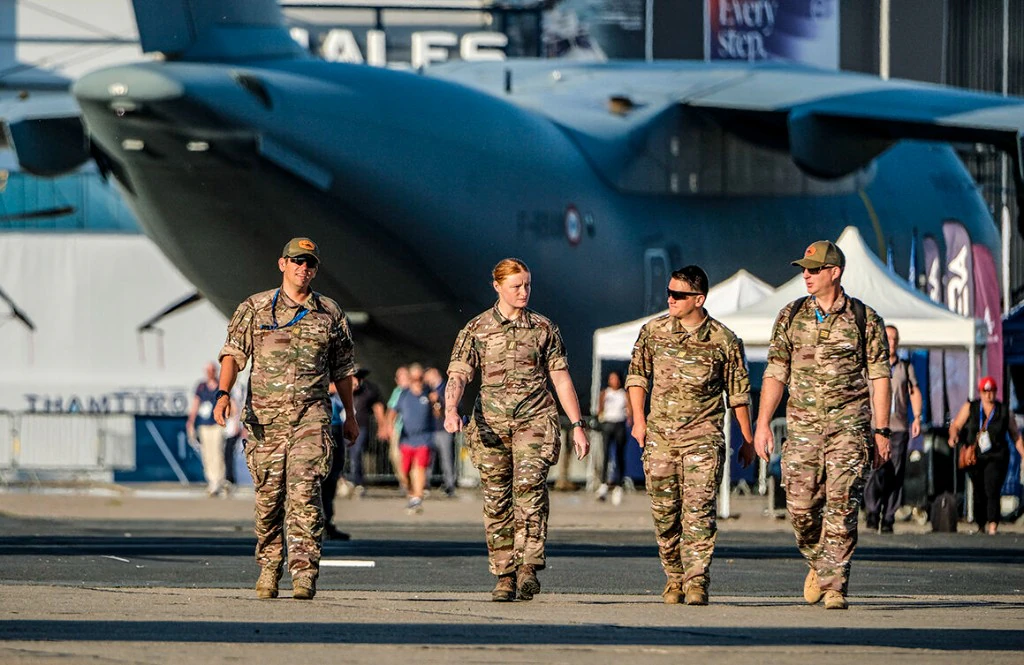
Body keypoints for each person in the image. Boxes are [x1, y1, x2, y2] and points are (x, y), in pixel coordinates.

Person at [214, 237, 359, 601]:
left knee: (305, 491)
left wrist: (351, 416)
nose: (303, 269)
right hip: (265, 420)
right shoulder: (256, 308)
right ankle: (269, 565)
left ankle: (304, 572)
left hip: (311, 416)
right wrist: (223, 393)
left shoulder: (329, 312)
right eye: (296, 262)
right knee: (268, 499)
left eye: (309, 263)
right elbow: (233, 353)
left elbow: (343, 369)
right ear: (283, 264)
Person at [754, 240, 891, 611]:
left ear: (835, 272)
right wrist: (763, 423)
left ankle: (835, 585)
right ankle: (820, 560)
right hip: (802, 429)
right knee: (800, 507)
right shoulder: (791, 315)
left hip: (849, 428)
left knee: (842, 504)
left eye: (814, 270)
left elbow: (880, 378)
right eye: (804, 269)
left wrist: (881, 432)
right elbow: (776, 372)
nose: (807, 276)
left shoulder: (865, 318)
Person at [444, 258, 590, 602]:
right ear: (497, 287)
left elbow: (560, 377)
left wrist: (578, 425)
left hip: (534, 421)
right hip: (490, 426)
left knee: (529, 489)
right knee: (496, 500)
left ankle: (528, 566)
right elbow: (459, 373)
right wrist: (451, 409)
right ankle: (504, 573)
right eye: (516, 286)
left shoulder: (543, 328)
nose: (524, 292)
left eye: (527, 285)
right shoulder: (476, 329)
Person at [626, 265, 755, 606]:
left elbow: (738, 394)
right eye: (668, 293)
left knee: (698, 511)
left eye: (679, 295)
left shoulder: (723, 340)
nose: (670, 299)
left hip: (703, 438)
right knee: (666, 514)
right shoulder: (652, 332)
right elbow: (637, 378)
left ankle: (696, 580)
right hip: (660, 439)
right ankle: (674, 577)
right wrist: (638, 421)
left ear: (699, 299)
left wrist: (748, 439)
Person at [864, 325, 923, 534]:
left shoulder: (904, 367)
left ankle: (888, 516)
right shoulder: (871, 366)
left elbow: (914, 391)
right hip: (874, 426)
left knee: (896, 473)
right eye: (887, 338)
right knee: (874, 470)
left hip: (897, 427)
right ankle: (872, 509)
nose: (891, 342)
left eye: (894, 338)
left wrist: (917, 417)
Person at [948, 376, 1024, 535]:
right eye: (985, 391)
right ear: (980, 392)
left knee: (992, 487)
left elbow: (1015, 435)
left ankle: (993, 523)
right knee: (978, 489)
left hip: (996, 456)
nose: (988, 395)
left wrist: (1023, 453)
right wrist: (953, 436)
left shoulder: (1003, 411)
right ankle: (980, 522)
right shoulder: (972, 407)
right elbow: (956, 425)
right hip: (976, 457)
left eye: (991, 391)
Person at [388, 363, 435, 513]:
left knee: (420, 467)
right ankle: (410, 490)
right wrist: (388, 426)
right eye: (414, 378)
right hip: (406, 438)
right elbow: (393, 412)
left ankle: (417, 497)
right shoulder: (403, 394)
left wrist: (437, 404)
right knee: (405, 469)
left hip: (424, 437)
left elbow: (439, 415)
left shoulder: (429, 393)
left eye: (420, 378)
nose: (418, 381)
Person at [186, 362, 228, 497]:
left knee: (217, 452)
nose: (210, 373)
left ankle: (219, 480)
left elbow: (227, 402)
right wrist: (191, 421)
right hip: (204, 424)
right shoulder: (201, 387)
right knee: (207, 453)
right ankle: (211, 480)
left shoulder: (220, 386)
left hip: (217, 424)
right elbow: (195, 404)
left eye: (212, 370)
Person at [347, 366, 387, 495]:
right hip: (340, 426)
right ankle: (342, 481)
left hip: (360, 426)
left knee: (356, 452)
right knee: (340, 455)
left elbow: (378, 406)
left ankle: (357, 482)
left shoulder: (370, 389)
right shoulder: (339, 386)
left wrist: (382, 426)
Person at [320, 383, 351, 541]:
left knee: (333, 475)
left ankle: (327, 521)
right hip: (320, 424)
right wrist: (335, 386)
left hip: (336, 425)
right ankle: (319, 522)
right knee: (319, 477)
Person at [596, 371, 629, 505]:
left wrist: (630, 418)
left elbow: (630, 409)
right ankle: (603, 484)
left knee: (620, 455)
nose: (614, 381)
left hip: (619, 424)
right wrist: (600, 418)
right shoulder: (605, 392)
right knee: (605, 454)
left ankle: (619, 486)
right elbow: (600, 408)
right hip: (608, 424)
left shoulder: (624, 394)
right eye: (611, 379)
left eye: (616, 379)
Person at [426, 366, 458, 497]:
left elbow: (456, 405)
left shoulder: (446, 388)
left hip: (443, 429)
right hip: (430, 429)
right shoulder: (428, 390)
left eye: (427, 376)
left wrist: (439, 399)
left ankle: (449, 485)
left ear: (434, 374)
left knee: (446, 458)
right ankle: (424, 484)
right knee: (428, 459)